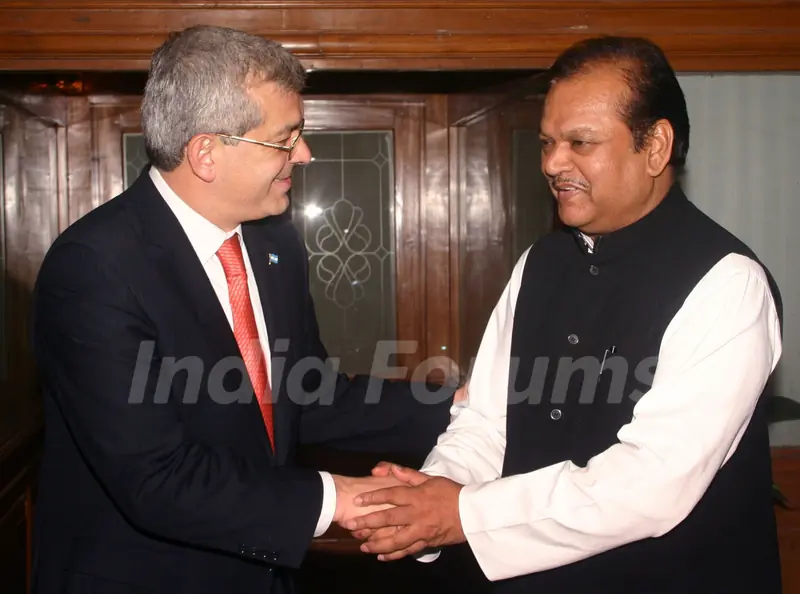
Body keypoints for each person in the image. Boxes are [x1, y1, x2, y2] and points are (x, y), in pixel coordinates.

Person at [29, 25, 459, 594]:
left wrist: (456, 407)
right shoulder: (93, 267)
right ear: (206, 152)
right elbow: (156, 478)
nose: (303, 154)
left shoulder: (272, 239)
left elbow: (304, 394)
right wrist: (343, 497)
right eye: (286, 138)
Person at [347, 35, 784, 594]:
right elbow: (486, 420)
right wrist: (432, 493)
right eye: (548, 142)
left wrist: (462, 514)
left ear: (655, 147)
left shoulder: (727, 283)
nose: (554, 163)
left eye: (580, 141)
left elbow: (651, 484)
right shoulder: (539, 263)